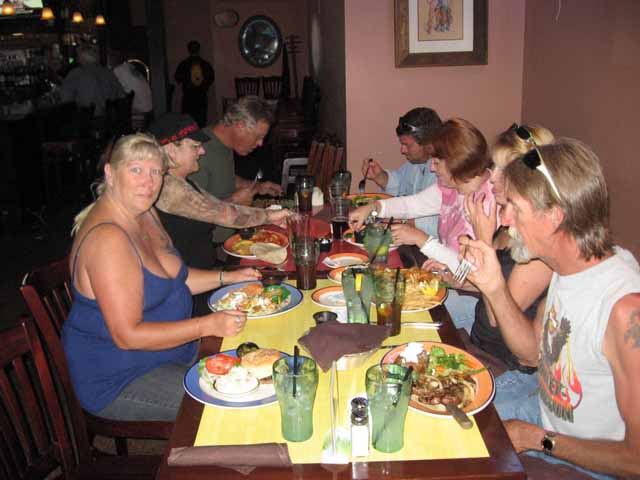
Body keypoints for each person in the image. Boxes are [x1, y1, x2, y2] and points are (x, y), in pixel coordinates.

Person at [461, 138, 640, 479]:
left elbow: (637, 460)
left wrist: (537, 439)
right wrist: (495, 287)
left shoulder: (624, 309)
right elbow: (532, 354)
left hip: (590, 463)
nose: (505, 219)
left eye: (515, 208)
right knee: (443, 429)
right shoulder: (565, 267)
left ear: (555, 217)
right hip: (542, 417)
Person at [61, 133, 259, 422]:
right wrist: (207, 325)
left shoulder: (145, 212)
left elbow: (174, 280)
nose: (148, 182)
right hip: (123, 376)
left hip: (174, 352)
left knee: (258, 359)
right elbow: (127, 335)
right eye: (136, 170)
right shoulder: (108, 240)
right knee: (238, 399)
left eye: (156, 172)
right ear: (110, 174)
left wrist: (228, 277)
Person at [349, 118, 495, 332]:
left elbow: (473, 273)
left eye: (437, 162)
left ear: (456, 163)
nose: (432, 169)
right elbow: (412, 204)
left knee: (388, 309)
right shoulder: (455, 187)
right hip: (448, 281)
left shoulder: (489, 203)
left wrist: (421, 240)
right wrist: (374, 207)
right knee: (378, 292)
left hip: (474, 300)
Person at [149, 113, 288, 316]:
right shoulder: (168, 187)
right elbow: (224, 214)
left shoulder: (182, 182)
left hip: (200, 280)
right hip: (183, 295)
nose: (202, 151)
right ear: (171, 150)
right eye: (195, 146)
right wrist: (270, 216)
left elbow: (216, 205)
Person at [187, 95, 283, 243]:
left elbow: (224, 177)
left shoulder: (223, 142)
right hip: (210, 246)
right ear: (240, 126)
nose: (260, 143)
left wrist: (258, 187)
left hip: (231, 235)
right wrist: (234, 201)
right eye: (258, 137)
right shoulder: (199, 152)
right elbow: (192, 214)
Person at [359, 107, 442, 239]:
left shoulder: (447, 173)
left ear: (429, 144)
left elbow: (443, 226)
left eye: (407, 145)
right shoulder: (415, 163)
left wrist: (401, 219)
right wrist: (381, 177)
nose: (402, 150)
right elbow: (401, 184)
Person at [60, 44, 125, 117]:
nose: (77, 59)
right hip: (110, 120)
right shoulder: (108, 72)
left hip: (88, 120)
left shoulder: (76, 74)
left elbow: (65, 100)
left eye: (77, 56)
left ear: (81, 57)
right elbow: (122, 96)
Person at [174, 40, 214, 127]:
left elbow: (177, 78)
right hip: (201, 96)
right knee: (201, 121)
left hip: (188, 97)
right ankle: (201, 135)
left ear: (188, 50)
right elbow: (211, 78)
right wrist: (204, 87)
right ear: (199, 50)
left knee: (187, 122)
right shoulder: (205, 64)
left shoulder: (183, 64)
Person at [112, 55, 153, 120]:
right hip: (148, 108)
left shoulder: (118, 70)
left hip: (138, 111)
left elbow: (113, 94)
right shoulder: (130, 67)